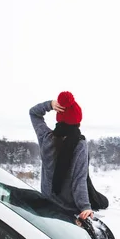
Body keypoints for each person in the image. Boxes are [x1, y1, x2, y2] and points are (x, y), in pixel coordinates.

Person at [29, 92, 94, 222]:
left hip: (47, 204)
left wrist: (50, 104)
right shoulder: (79, 144)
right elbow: (79, 179)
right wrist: (85, 207)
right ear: (77, 121)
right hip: (69, 211)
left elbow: (34, 113)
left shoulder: (46, 137)